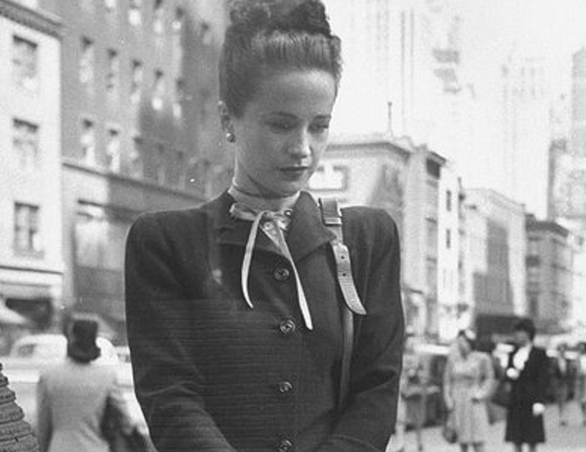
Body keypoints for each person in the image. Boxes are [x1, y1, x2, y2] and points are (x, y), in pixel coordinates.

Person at [124, 1, 406, 450]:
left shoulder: (366, 240)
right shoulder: (166, 243)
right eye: (281, 125)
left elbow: (376, 389)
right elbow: (171, 396)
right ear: (227, 121)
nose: (302, 148)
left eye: (319, 126)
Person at [37, 316, 136, 452]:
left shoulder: (49, 377)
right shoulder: (107, 377)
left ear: (70, 338)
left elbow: (43, 427)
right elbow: (126, 422)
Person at [444, 329, 494, 452]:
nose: (461, 345)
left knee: (478, 438)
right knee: (462, 439)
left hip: (473, 399)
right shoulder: (453, 360)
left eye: (464, 341)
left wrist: (481, 393)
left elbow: (489, 378)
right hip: (458, 401)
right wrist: (448, 399)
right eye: (459, 342)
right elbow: (447, 382)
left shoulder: (482, 358)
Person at [504, 318, 548, 452]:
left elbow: (543, 378)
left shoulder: (539, 354)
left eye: (519, 332)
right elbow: (507, 375)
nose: (516, 336)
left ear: (528, 334)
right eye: (515, 333)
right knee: (516, 438)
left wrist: (540, 401)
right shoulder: (512, 353)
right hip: (516, 400)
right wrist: (509, 373)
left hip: (532, 399)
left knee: (532, 439)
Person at [550, 343, 572, 426]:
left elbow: (570, 372)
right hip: (557, 382)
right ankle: (561, 416)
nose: (562, 352)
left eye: (563, 350)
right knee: (559, 400)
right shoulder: (554, 361)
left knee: (564, 399)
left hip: (565, 382)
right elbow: (551, 372)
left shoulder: (568, 360)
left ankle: (564, 417)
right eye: (560, 350)